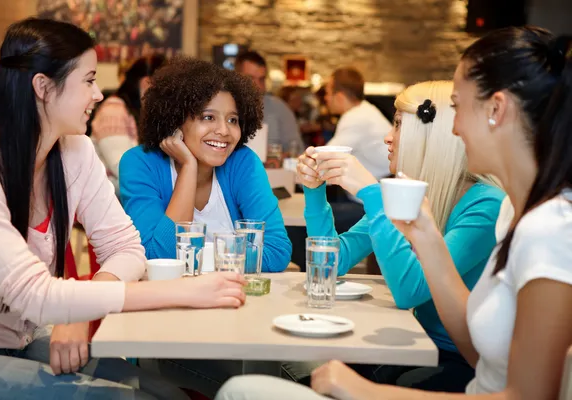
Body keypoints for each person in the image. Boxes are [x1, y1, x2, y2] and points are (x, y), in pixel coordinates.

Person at [215, 25, 572, 400]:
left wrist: (365, 392)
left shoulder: (539, 226)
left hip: (438, 365)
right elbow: (479, 352)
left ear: (496, 109)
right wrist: (317, 194)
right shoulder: (513, 215)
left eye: (459, 106)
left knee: (243, 388)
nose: (456, 127)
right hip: (438, 362)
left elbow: (415, 296)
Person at [0, 18, 247, 399]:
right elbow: (32, 294)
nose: (99, 94)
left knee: (168, 394)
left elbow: (128, 248)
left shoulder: (74, 150)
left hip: (26, 340)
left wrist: (78, 310)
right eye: (88, 80)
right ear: (43, 87)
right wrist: (185, 292)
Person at [281, 81, 504, 392]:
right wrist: (315, 191)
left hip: (458, 362)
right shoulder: (404, 192)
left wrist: (371, 193)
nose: (387, 136)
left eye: (398, 124)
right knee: (297, 373)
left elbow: (410, 290)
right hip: (413, 344)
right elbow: (332, 262)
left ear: (432, 135)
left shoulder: (485, 204)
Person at [119, 56, 292, 397]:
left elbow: (276, 252)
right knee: (277, 387)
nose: (224, 132)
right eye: (207, 118)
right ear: (174, 120)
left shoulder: (242, 162)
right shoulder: (140, 164)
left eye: (233, 120)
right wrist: (187, 168)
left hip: (243, 324)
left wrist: (196, 263)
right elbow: (158, 257)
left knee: (296, 378)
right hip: (168, 334)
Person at [91, 54, 167, 195]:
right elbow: (122, 167)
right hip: (109, 201)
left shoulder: (141, 113)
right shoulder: (113, 111)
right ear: (146, 83)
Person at [324, 67, 392, 180]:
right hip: (378, 185)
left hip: (373, 192)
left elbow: (327, 159)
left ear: (340, 97)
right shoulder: (364, 109)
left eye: (328, 93)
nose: (326, 98)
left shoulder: (356, 118)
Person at [235, 50, 305, 155]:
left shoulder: (280, 109)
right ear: (236, 78)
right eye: (250, 78)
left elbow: (297, 151)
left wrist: (276, 156)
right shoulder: (224, 107)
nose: (257, 86)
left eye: (261, 79)